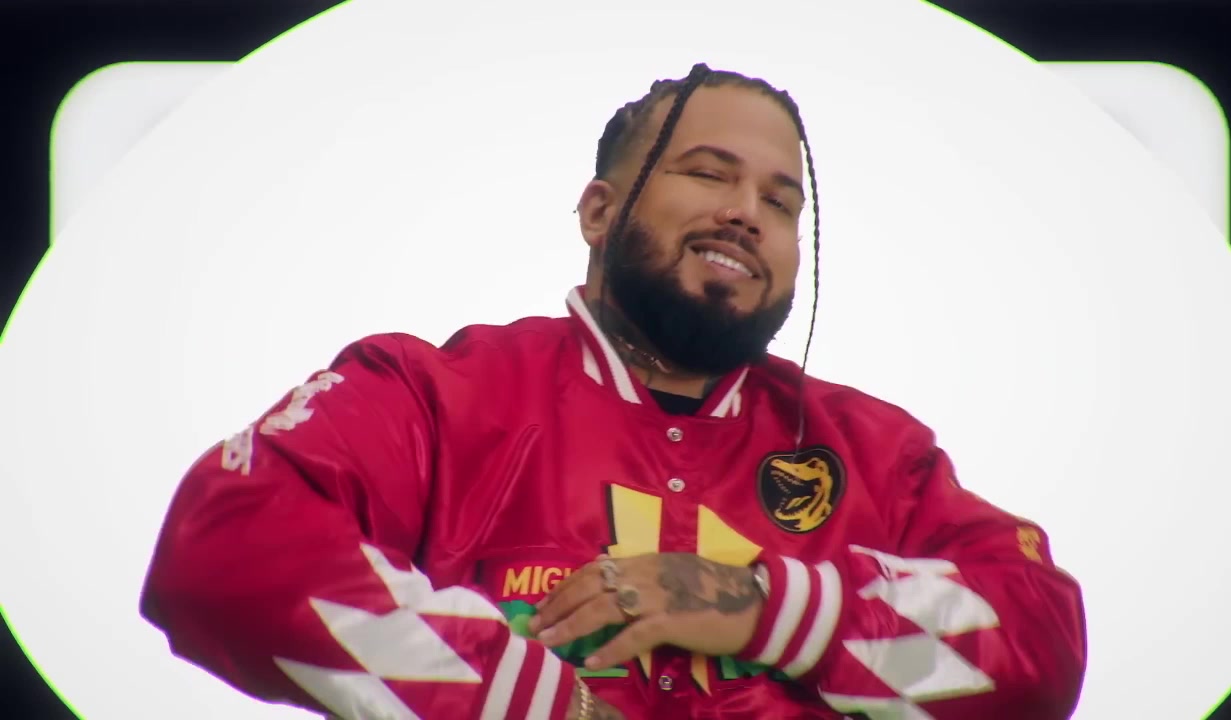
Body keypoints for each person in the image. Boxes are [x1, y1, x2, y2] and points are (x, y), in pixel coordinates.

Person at [140, 63, 1087, 720]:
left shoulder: (876, 451)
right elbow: (222, 546)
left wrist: (765, 606)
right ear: (599, 211)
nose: (745, 214)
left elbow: (1042, 647)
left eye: (780, 201)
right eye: (708, 174)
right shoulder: (434, 395)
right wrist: (528, 700)